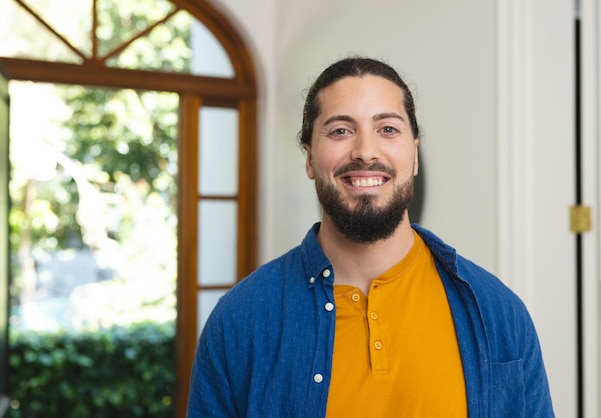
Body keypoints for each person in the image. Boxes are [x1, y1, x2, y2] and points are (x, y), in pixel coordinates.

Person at [186, 57, 554, 417]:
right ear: (310, 158)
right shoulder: (240, 321)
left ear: (414, 154)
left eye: (388, 129)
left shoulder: (500, 312)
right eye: (340, 130)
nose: (365, 151)